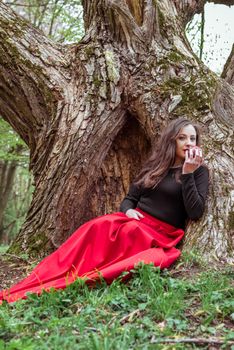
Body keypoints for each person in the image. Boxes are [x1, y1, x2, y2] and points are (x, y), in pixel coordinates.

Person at [0, 118, 209, 304]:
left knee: (128, 233)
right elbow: (129, 200)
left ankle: (81, 276)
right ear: (171, 140)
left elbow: (195, 212)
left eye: (193, 138)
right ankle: (55, 272)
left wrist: (188, 173)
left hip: (158, 234)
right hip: (133, 220)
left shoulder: (199, 172)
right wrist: (128, 212)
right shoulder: (154, 167)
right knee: (96, 226)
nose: (189, 143)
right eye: (182, 138)